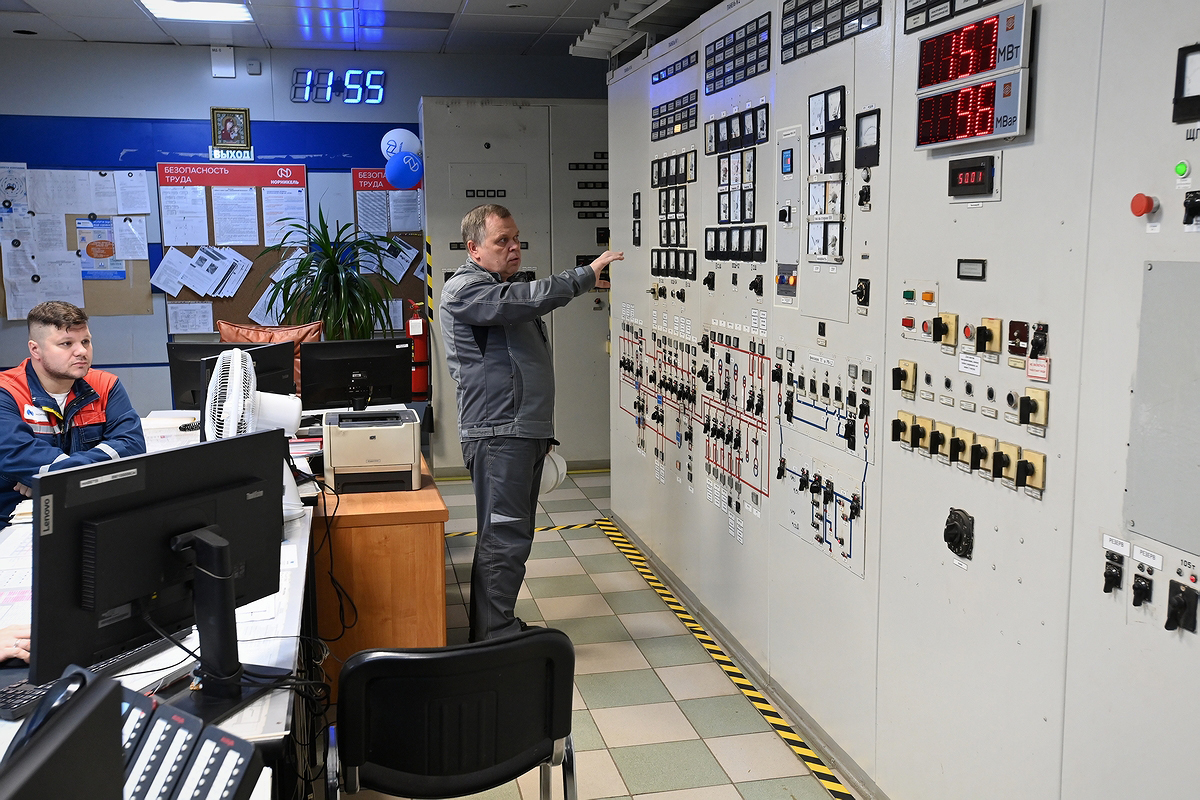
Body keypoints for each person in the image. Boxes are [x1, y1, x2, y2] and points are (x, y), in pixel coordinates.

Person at [440, 204, 623, 641]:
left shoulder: (500, 287)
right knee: (503, 537)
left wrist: (541, 432)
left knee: (514, 535)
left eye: (516, 238)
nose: (514, 247)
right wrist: (583, 276)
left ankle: (496, 625)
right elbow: (524, 300)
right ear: (474, 249)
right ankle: (494, 634)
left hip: (520, 431)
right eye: (501, 240)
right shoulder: (465, 290)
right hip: (499, 432)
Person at [0, 301, 146, 528]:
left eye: (85, 341)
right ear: (35, 349)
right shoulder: (7, 392)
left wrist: (48, 479)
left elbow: (132, 446)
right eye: (66, 343)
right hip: (16, 518)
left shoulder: (106, 385)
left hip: (89, 510)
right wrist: (90, 473)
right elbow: (18, 455)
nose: (81, 351)